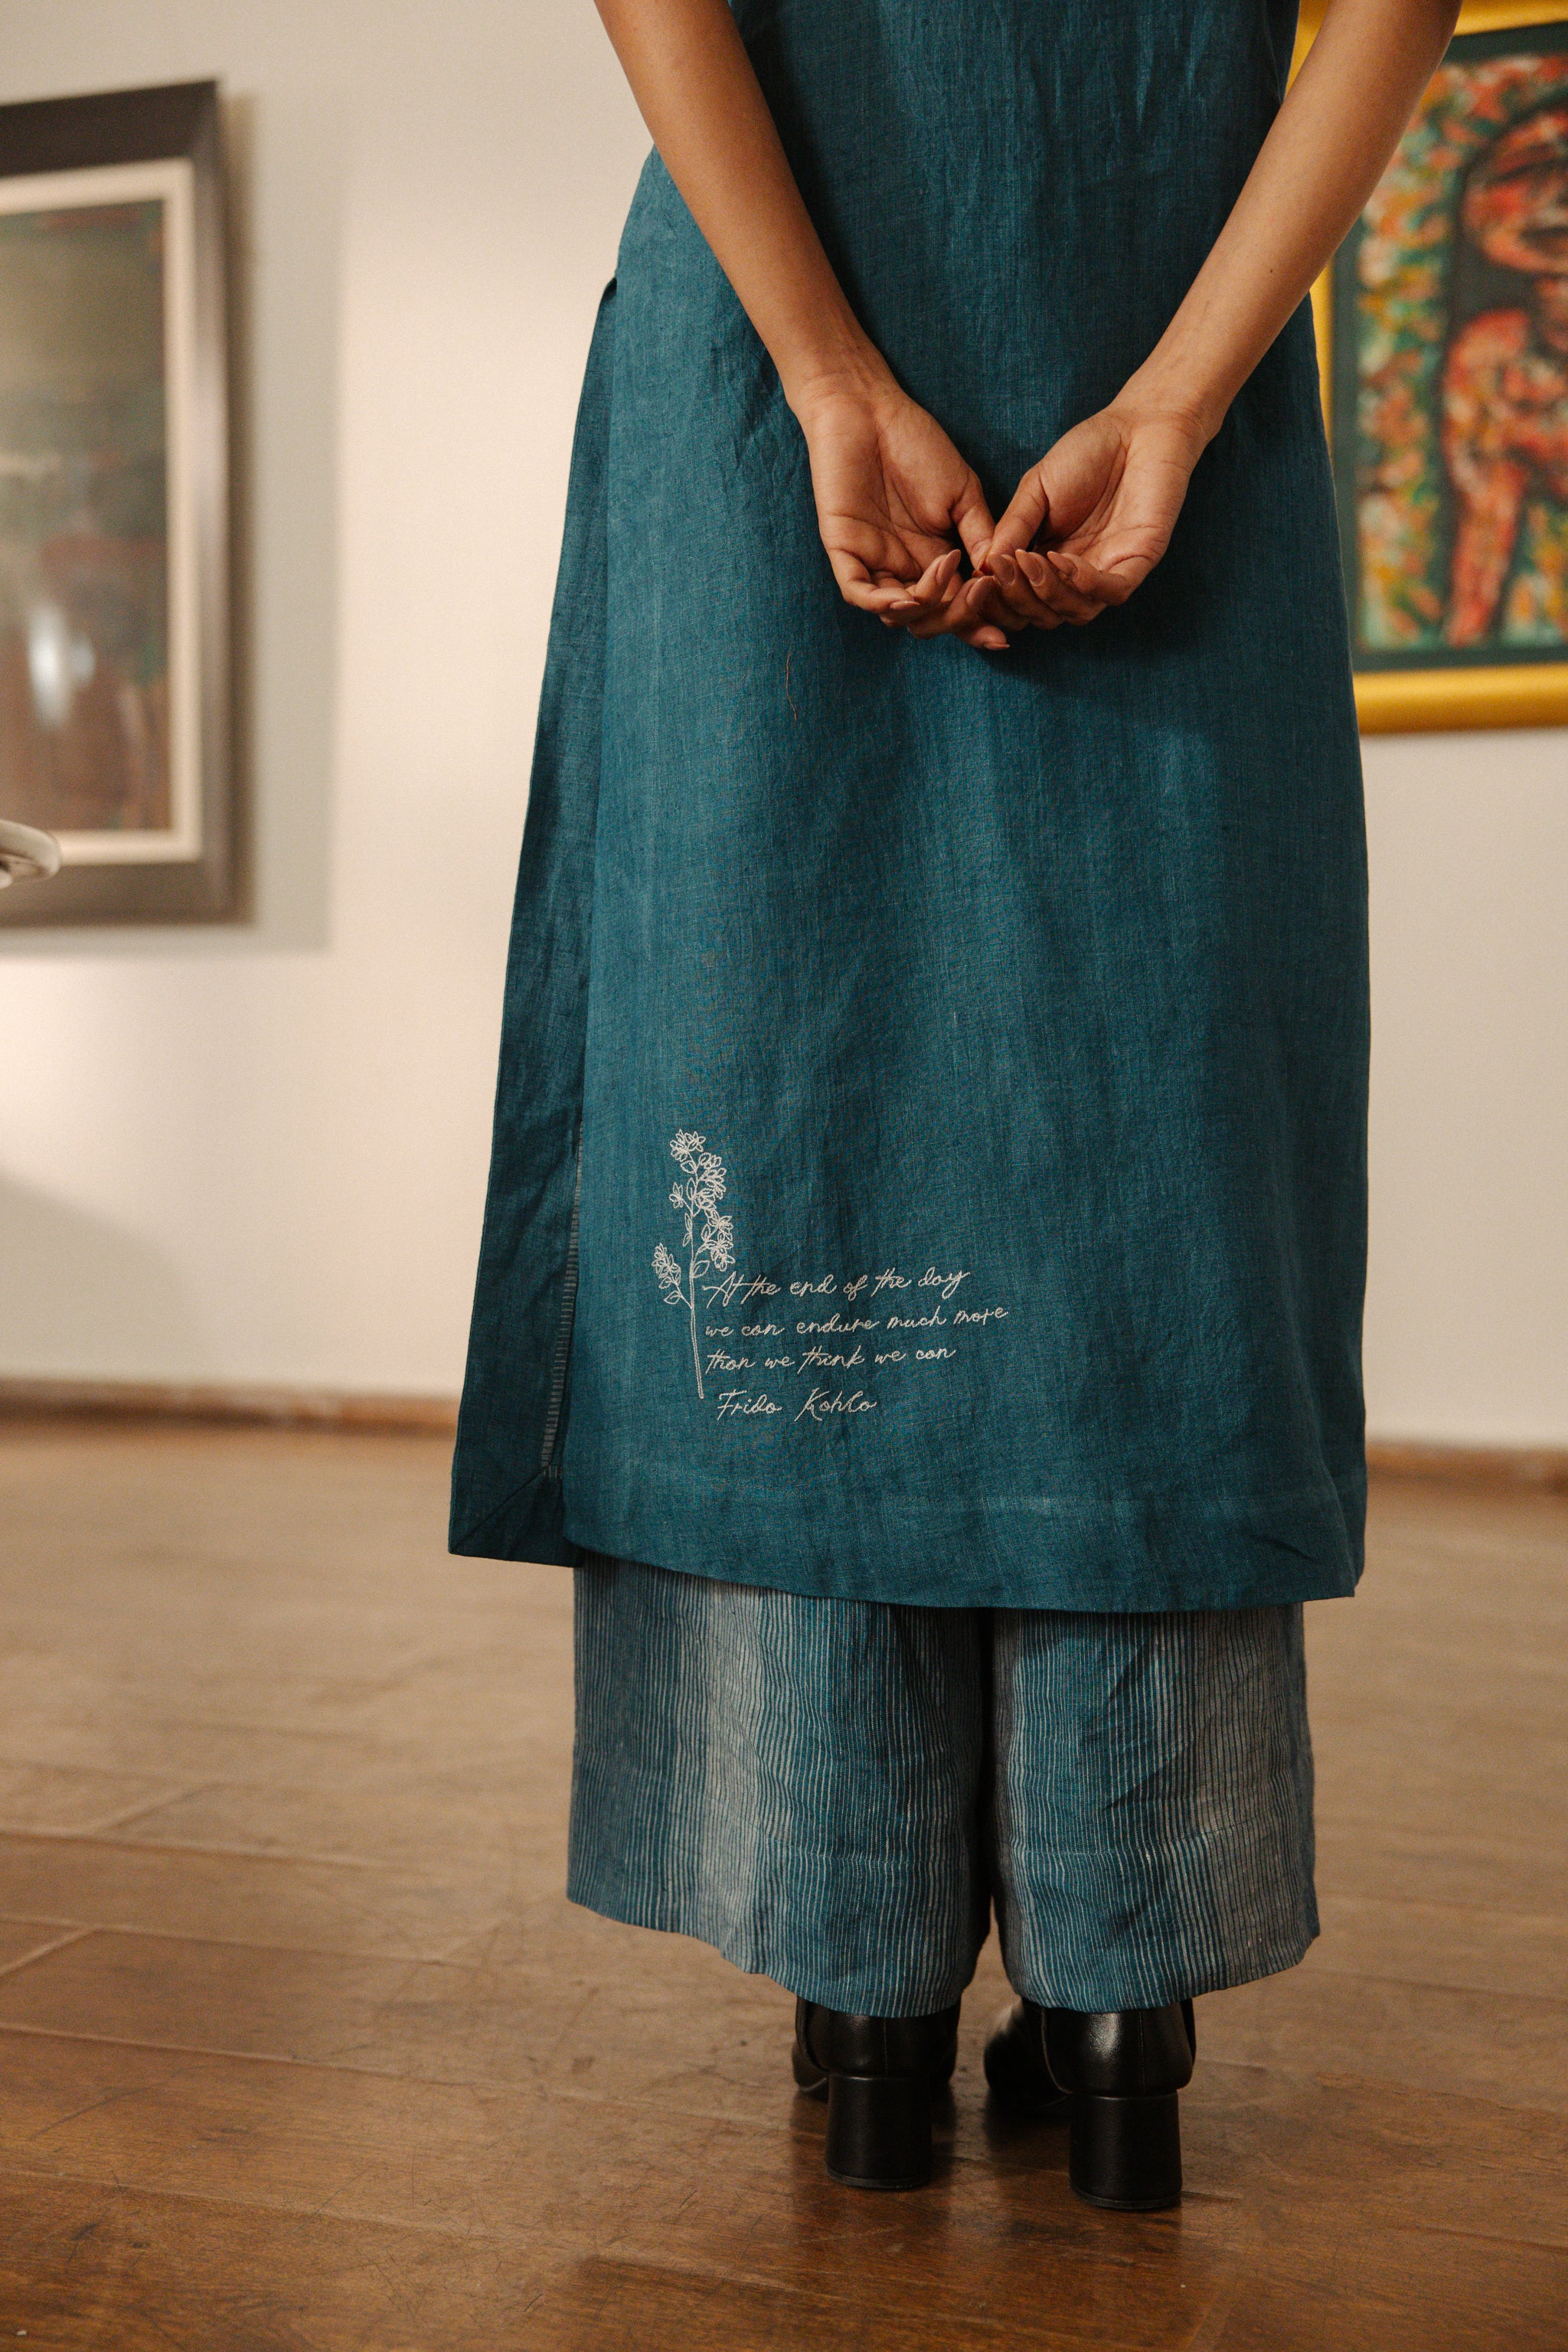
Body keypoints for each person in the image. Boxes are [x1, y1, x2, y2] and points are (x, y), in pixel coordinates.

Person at [451, 0, 1461, 2207]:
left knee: (792, 1085)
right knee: (1151, 1127)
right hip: (1161, 305)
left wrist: (827, 373)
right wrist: (1179, 397)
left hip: (775, 332)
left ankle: (861, 1966)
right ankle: (1122, 1977)